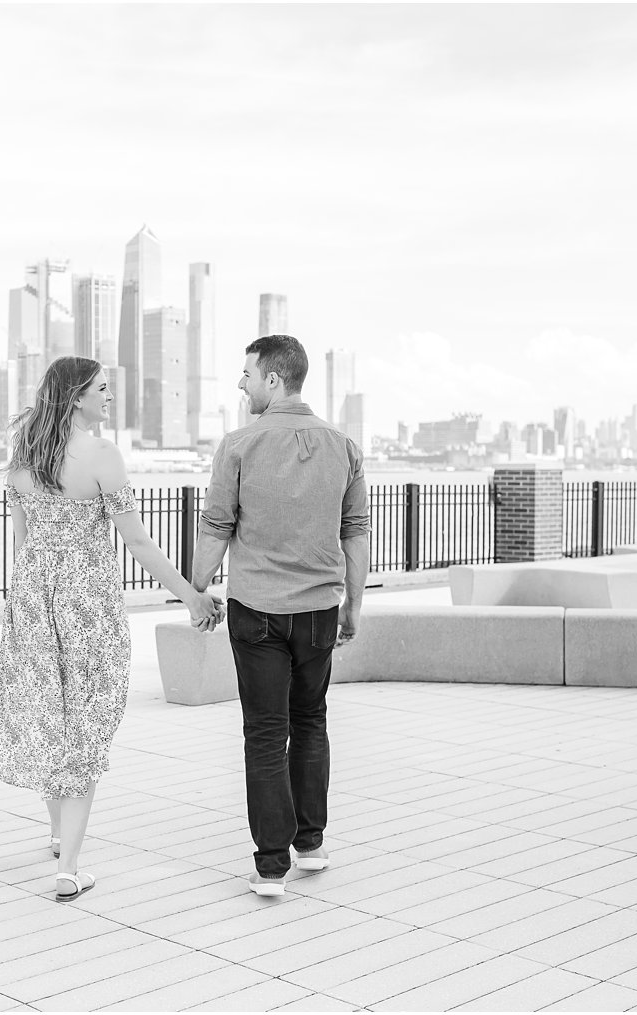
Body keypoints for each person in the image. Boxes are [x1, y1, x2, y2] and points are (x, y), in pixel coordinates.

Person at [0, 355, 224, 903]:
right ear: (75, 397)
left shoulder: (24, 460)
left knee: (49, 710)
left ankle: (57, 833)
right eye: (102, 390)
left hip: (33, 597)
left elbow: (23, 542)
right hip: (88, 603)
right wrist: (191, 596)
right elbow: (137, 543)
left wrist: (29, 601)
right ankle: (68, 868)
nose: (110, 398)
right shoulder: (102, 457)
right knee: (88, 717)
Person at [191, 334, 370, 897]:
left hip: (258, 611)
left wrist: (196, 591)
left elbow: (217, 525)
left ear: (273, 379)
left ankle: (272, 867)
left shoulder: (238, 445)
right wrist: (354, 604)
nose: (241, 384)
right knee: (310, 722)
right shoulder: (342, 446)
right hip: (320, 608)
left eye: (246, 374)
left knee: (266, 734)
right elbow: (355, 534)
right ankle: (310, 845)